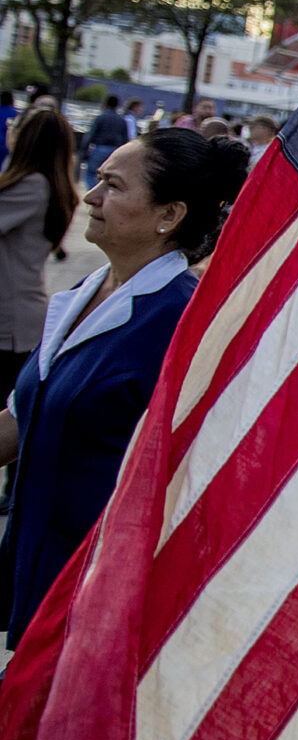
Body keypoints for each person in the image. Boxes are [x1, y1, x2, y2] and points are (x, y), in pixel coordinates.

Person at [3, 128, 249, 644]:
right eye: (97, 181)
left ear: (169, 215)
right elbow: (22, 420)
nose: (91, 197)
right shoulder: (82, 295)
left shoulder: (182, 323)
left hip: (104, 596)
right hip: (40, 570)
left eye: (112, 186)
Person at [0, 108, 79, 388]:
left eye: (14, 126)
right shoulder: (43, 183)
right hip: (19, 312)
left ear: (26, 137)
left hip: (10, 317)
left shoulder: (30, 185)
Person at [80, 93, 131, 186]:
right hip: (114, 151)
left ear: (105, 104)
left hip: (99, 148)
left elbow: (90, 135)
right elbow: (125, 139)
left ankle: (92, 191)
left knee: (90, 173)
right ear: (117, 105)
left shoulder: (100, 117)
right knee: (108, 177)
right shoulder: (121, 120)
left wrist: (84, 151)